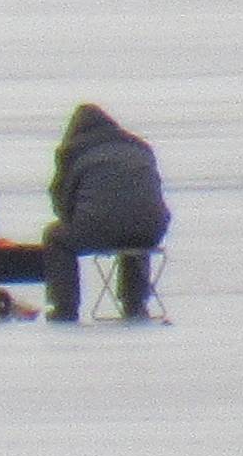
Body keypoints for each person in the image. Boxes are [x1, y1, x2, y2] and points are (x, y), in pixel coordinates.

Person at [49, 103, 171, 321]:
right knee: (134, 225)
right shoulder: (140, 146)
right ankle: (135, 303)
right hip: (152, 227)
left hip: (100, 228)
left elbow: (62, 204)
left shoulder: (73, 151)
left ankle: (65, 308)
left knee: (56, 237)